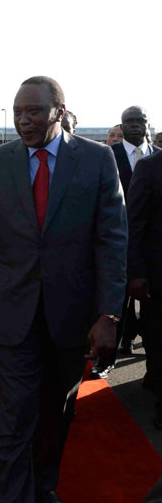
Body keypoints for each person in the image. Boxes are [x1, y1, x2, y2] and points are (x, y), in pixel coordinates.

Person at [0, 76, 126, 503]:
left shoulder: (97, 160)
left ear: (59, 110)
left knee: (57, 413)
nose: (23, 120)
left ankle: (43, 485)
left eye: (32, 111)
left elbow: (112, 241)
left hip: (73, 317)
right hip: (12, 314)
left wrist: (109, 315)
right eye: (17, 112)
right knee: (15, 414)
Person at [95, 106, 162, 378]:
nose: (135, 126)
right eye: (129, 121)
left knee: (151, 316)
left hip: (148, 248)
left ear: (147, 124)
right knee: (114, 305)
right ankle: (107, 360)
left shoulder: (157, 158)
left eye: (140, 121)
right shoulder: (107, 156)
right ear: (121, 126)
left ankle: (152, 369)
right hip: (112, 242)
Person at [127, 149, 162, 430]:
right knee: (158, 338)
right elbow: (134, 223)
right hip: (157, 274)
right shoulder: (150, 168)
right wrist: (136, 273)